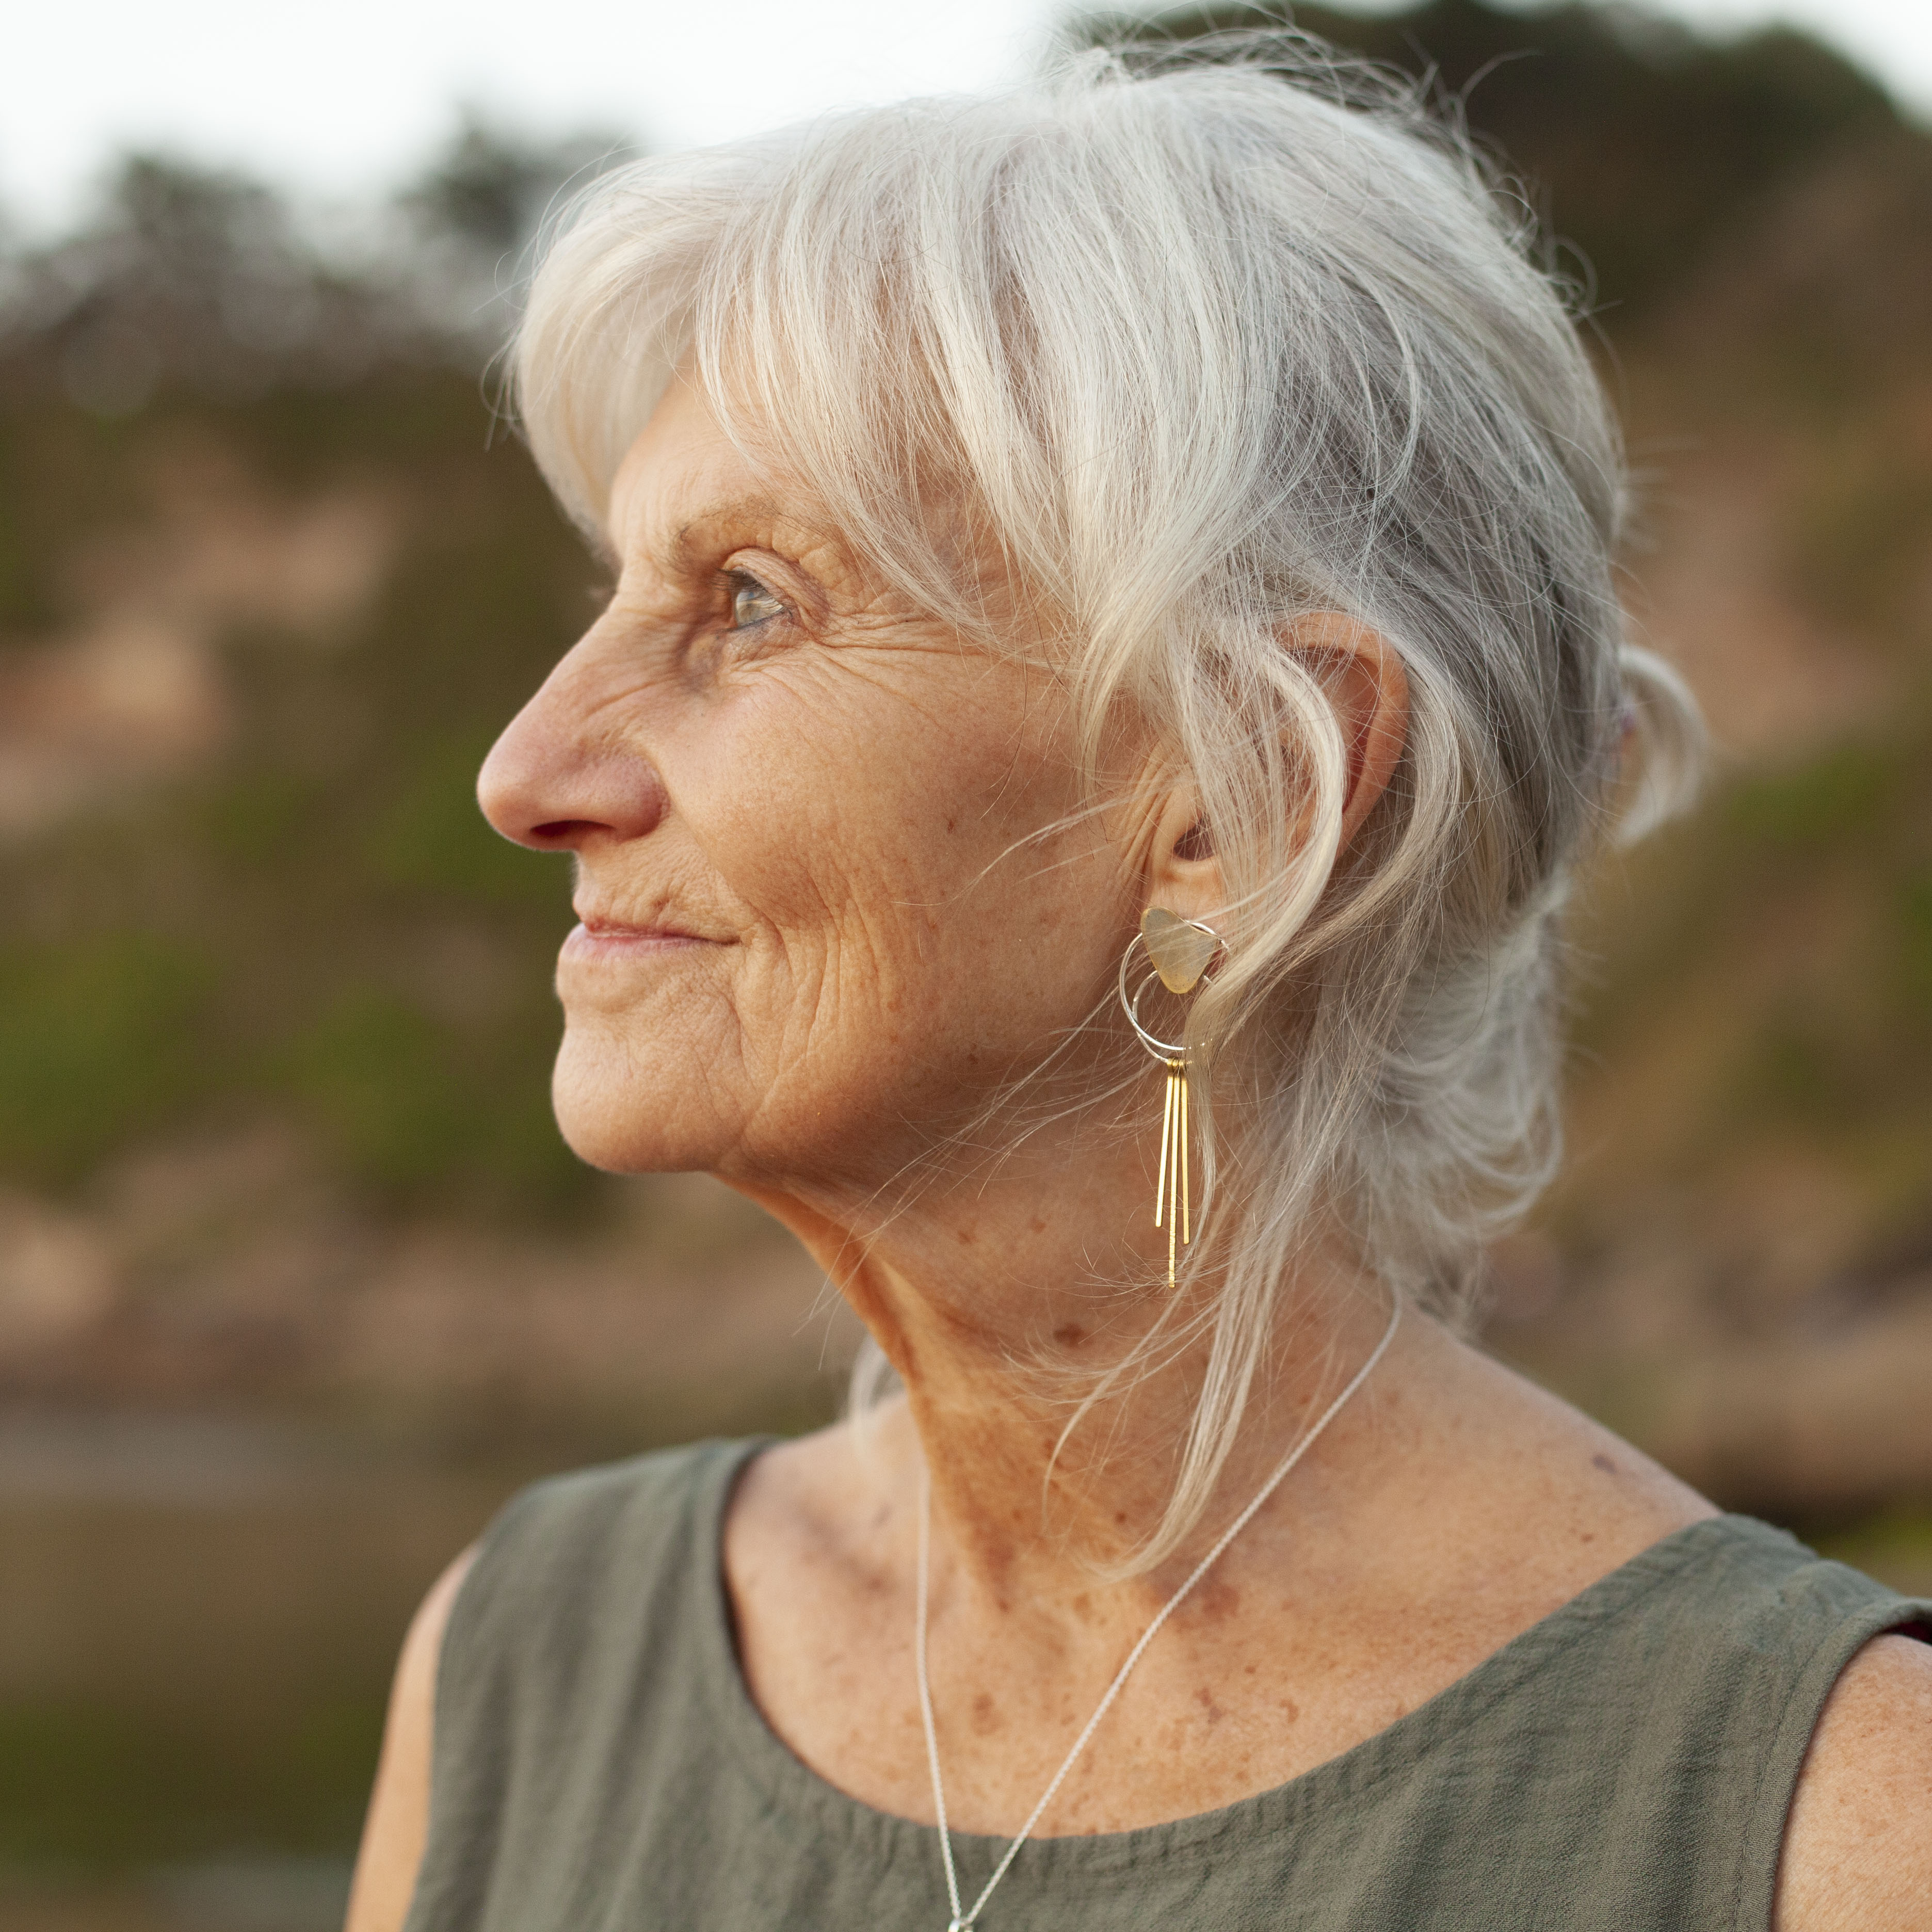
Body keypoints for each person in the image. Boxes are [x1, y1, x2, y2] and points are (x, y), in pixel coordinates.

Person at [344, 33, 1932, 1932]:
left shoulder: (1829, 1824)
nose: (526, 773)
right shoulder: (527, 1664)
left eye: (748, 601)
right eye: (609, 596)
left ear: (1247, 798)